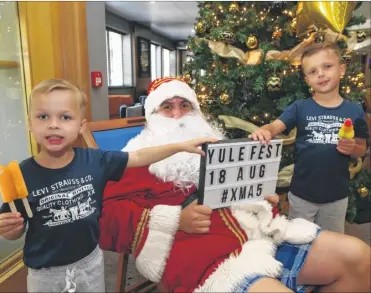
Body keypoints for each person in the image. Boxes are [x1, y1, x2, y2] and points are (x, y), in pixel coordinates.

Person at [99, 77, 370, 293]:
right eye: (167, 107)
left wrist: (260, 197)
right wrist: (175, 219)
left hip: (262, 234)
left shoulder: (217, 145)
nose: (178, 114)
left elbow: (242, 188)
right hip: (208, 263)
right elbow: (105, 219)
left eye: (185, 105)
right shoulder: (136, 158)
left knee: (360, 259)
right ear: (152, 115)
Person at [0, 79, 217, 293]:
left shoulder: (95, 160)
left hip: (90, 263)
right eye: (43, 116)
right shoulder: (22, 174)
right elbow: (13, 228)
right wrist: (10, 231)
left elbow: (139, 156)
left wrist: (179, 146)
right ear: (30, 123)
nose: (54, 124)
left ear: (81, 125)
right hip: (45, 274)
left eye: (65, 117)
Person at [249, 43, 369, 234]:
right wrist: (265, 130)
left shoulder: (354, 110)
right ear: (307, 80)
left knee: (331, 243)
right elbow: (275, 126)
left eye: (327, 66)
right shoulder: (300, 107)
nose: (320, 74)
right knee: (298, 240)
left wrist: (353, 147)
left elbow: (362, 148)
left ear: (342, 69)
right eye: (313, 71)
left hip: (336, 197)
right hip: (301, 195)